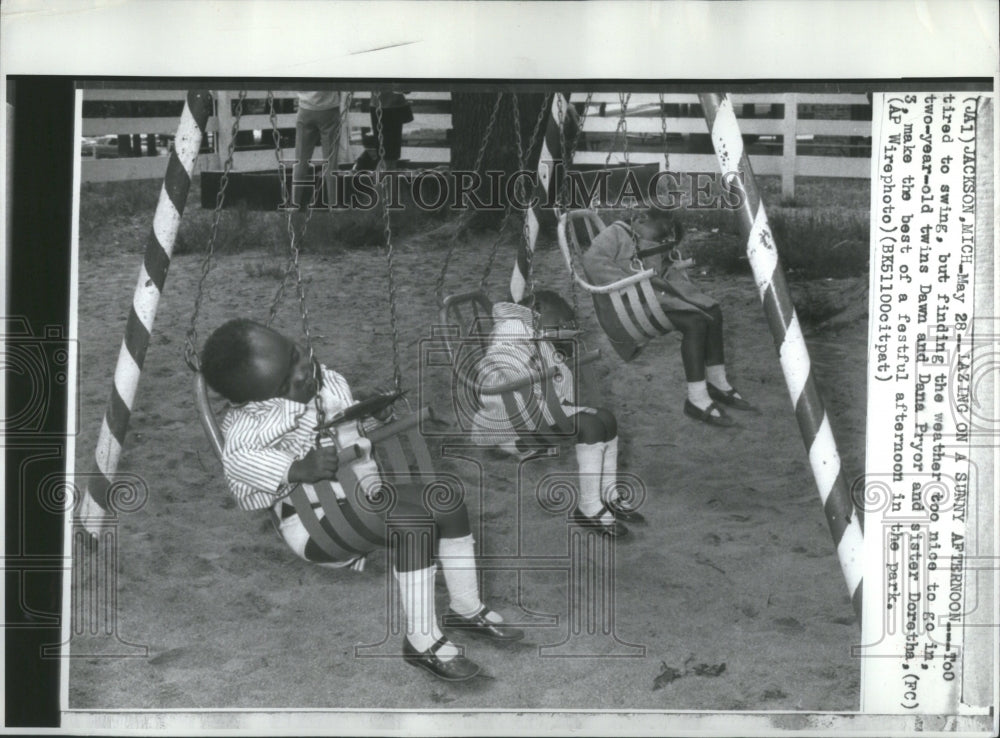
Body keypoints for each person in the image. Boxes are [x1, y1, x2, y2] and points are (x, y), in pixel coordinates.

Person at [200, 318, 523, 682]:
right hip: (314, 523)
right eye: (284, 383)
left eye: (294, 354)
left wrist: (370, 413)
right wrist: (295, 468)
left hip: (362, 496)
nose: (303, 372)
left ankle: (465, 607)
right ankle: (421, 642)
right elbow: (238, 461)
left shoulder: (326, 382)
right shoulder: (249, 424)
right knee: (412, 525)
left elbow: (347, 427)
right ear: (252, 400)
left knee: (445, 501)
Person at [470, 291, 644, 537]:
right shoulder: (509, 331)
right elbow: (505, 366)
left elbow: (553, 375)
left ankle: (609, 492)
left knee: (607, 418)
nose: (561, 327)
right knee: (590, 427)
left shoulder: (535, 332)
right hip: (513, 424)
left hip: (539, 408)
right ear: (538, 308)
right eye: (558, 322)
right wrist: (544, 359)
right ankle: (589, 507)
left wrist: (559, 352)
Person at [581, 207, 753, 427]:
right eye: (661, 230)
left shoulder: (641, 236)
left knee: (713, 311)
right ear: (641, 218)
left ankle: (717, 382)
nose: (663, 236)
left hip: (649, 300)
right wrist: (633, 281)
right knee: (695, 322)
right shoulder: (614, 233)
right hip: (626, 308)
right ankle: (697, 399)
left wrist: (664, 267)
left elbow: (659, 270)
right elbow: (591, 261)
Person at [293, 91, 343, 208]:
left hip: (305, 108)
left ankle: (294, 204)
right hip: (329, 108)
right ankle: (333, 204)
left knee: (300, 161)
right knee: (331, 162)